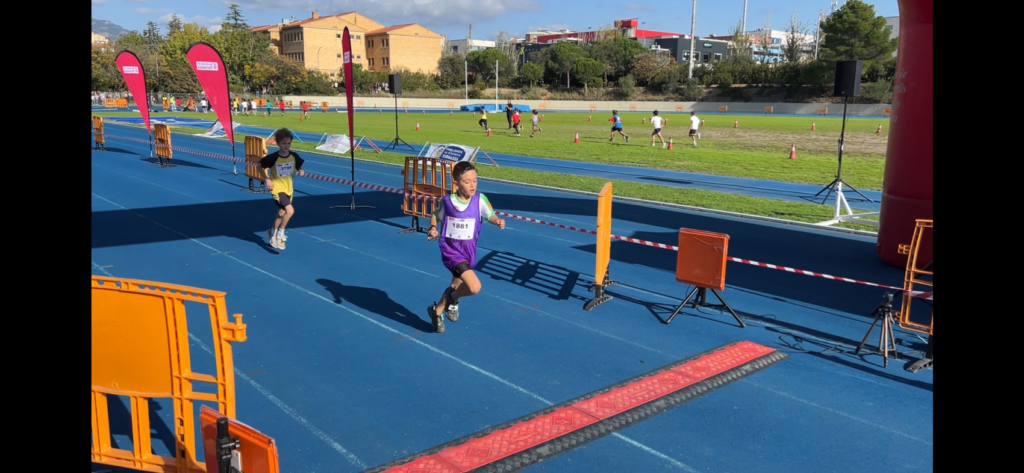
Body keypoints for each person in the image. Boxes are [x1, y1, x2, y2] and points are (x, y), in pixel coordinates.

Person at [426, 161, 505, 333]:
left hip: (468, 252)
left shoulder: (480, 200)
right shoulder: (447, 201)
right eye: (467, 182)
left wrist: (497, 221)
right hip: (451, 251)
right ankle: (453, 298)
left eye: (475, 180)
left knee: (456, 284)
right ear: (456, 183)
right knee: (474, 287)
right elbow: (435, 215)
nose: (472, 185)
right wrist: (432, 228)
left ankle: (437, 310)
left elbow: (490, 215)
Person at [260, 128, 305, 250]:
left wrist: (301, 170)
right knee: (290, 211)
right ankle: (280, 234)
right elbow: (260, 166)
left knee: (281, 212)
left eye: (288, 143)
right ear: (278, 143)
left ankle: (272, 231)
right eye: (283, 143)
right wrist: (267, 179)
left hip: (288, 188)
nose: (286, 146)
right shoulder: (273, 157)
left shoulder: (294, 156)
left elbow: (299, 166)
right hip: (277, 188)